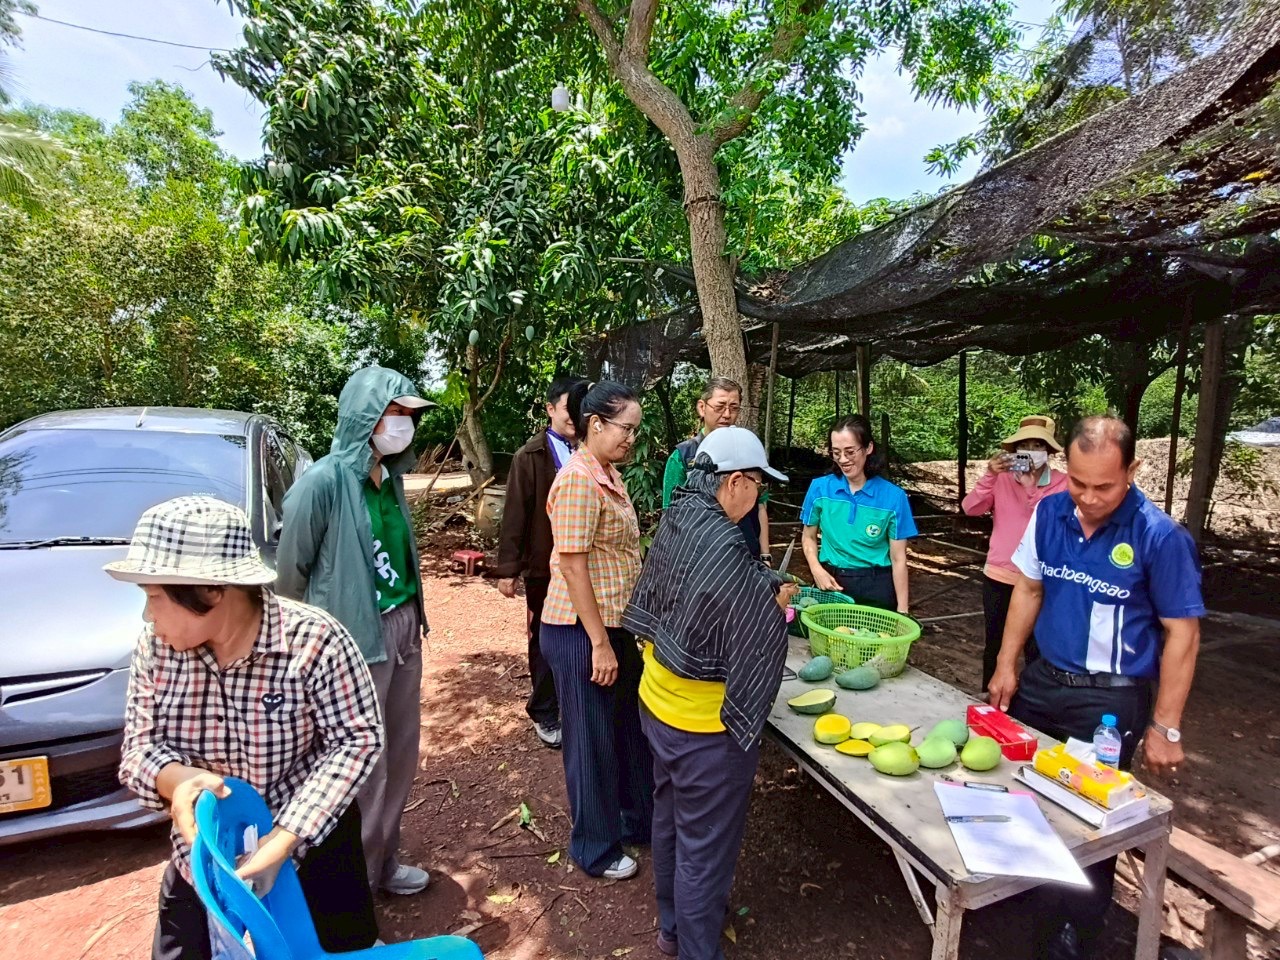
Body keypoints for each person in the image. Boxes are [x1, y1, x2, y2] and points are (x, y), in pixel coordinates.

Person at [112, 497, 384, 960]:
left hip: (308, 841)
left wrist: (281, 842)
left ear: (212, 591)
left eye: (154, 596)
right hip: (203, 852)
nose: (147, 615)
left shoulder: (314, 641)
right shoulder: (157, 650)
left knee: (336, 948)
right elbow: (139, 749)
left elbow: (356, 740)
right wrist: (180, 784)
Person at [988, 416, 1204, 960]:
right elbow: (1029, 588)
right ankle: (1018, 895)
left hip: (1109, 699)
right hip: (1044, 679)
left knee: (1089, 814)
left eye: (1103, 486)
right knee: (1018, 784)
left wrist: (1166, 725)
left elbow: (1183, 634)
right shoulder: (1051, 510)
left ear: (1131, 471)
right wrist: (1006, 665)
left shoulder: (1159, 537)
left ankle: (1076, 929)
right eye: (1079, 482)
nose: (1087, 497)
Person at [624, 427, 797, 960]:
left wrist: (757, 586)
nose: (758, 499)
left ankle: (671, 929)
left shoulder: (682, 516)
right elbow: (754, 632)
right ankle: (698, 951)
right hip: (704, 729)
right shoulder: (723, 542)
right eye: (759, 488)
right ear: (737, 481)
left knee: (671, 818)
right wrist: (778, 606)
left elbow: (693, 595)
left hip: (657, 702)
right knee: (705, 851)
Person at [275, 365, 433, 897]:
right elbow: (289, 576)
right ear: (365, 415)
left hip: (403, 627)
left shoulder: (391, 479)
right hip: (352, 643)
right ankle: (353, 889)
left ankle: (384, 861)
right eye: (397, 412)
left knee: (401, 751)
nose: (406, 424)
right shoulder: (321, 483)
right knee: (361, 763)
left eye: (411, 415)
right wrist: (300, 650)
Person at [541, 380, 654, 880]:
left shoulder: (607, 473)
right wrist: (600, 643)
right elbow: (572, 565)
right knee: (589, 741)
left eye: (636, 429)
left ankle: (633, 820)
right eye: (625, 428)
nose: (632, 438)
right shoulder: (578, 480)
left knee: (627, 729)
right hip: (579, 632)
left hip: (614, 625)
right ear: (595, 425)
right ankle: (594, 847)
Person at [492, 375, 586, 749]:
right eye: (568, 410)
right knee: (545, 642)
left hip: (582, 566)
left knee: (581, 636)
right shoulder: (528, 457)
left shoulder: (590, 450)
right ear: (550, 410)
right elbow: (515, 515)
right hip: (544, 570)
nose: (574, 417)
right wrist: (508, 570)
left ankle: (575, 704)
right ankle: (545, 711)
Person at [962, 414, 1068, 690]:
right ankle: (989, 704)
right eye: (1025, 445)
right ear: (1014, 451)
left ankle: (1034, 710)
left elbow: (1050, 524)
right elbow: (970, 508)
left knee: (1037, 649)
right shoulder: (1002, 479)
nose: (1031, 452)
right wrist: (990, 474)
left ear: (1050, 452)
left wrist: (1031, 489)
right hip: (999, 576)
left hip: (1041, 581)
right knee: (995, 645)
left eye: (1038, 445)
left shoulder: (1064, 484)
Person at [801, 414, 917, 612]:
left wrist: (903, 610)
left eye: (850, 452)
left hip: (876, 586)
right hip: (832, 584)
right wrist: (816, 569)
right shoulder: (819, 489)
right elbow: (808, 537)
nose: (843, 460)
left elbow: (898, 559)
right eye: (836, 453)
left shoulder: (894, 497)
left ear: (868, 448)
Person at [661, 377, 772, 563]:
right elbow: (670, 514)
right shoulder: (683, 456)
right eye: (720, 407)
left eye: (734, 408)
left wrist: (765, 555)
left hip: (746, 554)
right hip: (701, 557)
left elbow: (761, 506)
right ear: (702, 408)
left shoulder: (748, 451)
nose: (727, 414)